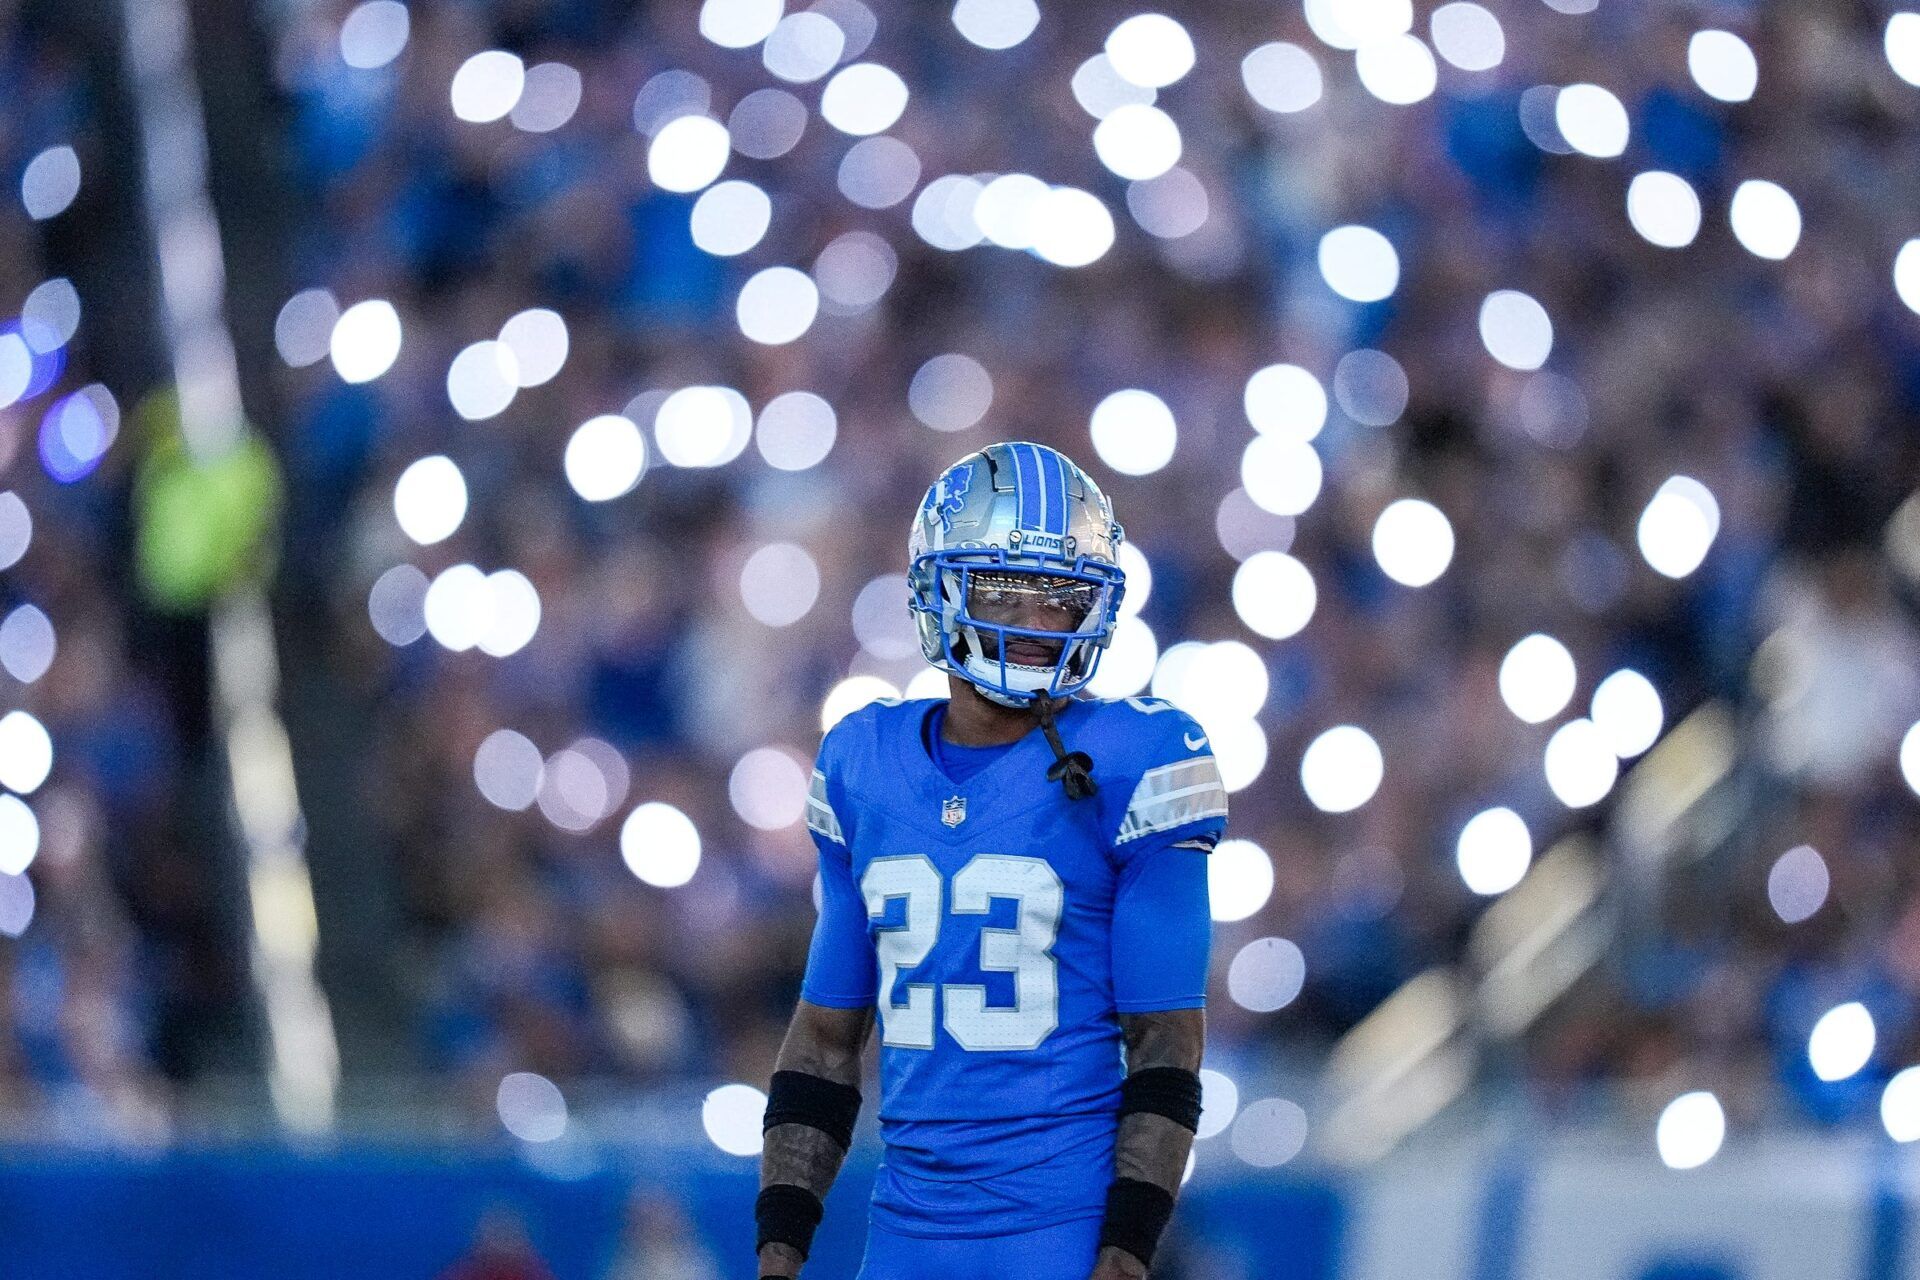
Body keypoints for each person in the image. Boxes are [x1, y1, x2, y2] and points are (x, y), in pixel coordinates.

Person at [754, 443, 1227, 1279]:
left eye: (1062, 598)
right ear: (939, 588)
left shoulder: (1139, 758)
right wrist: (779, 1255)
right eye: (1008, 589)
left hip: (1061, 1234)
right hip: (901, 1236)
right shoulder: (862, 761)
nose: (1038, 625)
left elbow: (1166, 1044)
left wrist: (1123, 1257)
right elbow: (826, 1042)